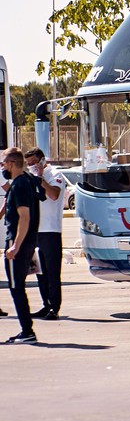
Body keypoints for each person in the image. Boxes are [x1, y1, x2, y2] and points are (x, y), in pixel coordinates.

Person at [3, 147, 42, 344]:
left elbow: (24, 217)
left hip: (18, 242)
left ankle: (27, 331)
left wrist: (15, 246)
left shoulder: (19, 185)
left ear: (11, 164)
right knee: (18, 287)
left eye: (4, 164)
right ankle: (26, 330)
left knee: (16, 287)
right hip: (27, 241)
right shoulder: (25, 180)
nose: (3, 167)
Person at [26, 147, 67, 320]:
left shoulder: (54, 174)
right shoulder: (31, 178)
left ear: (42, 161)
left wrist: (41, 177)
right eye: (29, 164)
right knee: (40, 270)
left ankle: (54, 307)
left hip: (51, 230)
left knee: (52, 271)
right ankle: (46, 304)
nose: (32, 167)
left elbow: (54, 195)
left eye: (34, 163)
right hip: (36, 230)